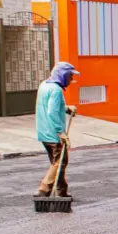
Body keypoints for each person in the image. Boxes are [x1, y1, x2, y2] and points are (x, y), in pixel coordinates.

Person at [35, 62, 79, 197]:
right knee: (60, 162)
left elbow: (50, 105)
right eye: (70, 76)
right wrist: (61, 132)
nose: (72, 79)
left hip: (43, 132)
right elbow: (52, 112)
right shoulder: (56, 90)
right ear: (63, 75)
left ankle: (61, 191)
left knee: (57, 163)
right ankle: (43, 189)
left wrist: (66, 108)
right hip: (53, 134)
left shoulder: (44, 85)